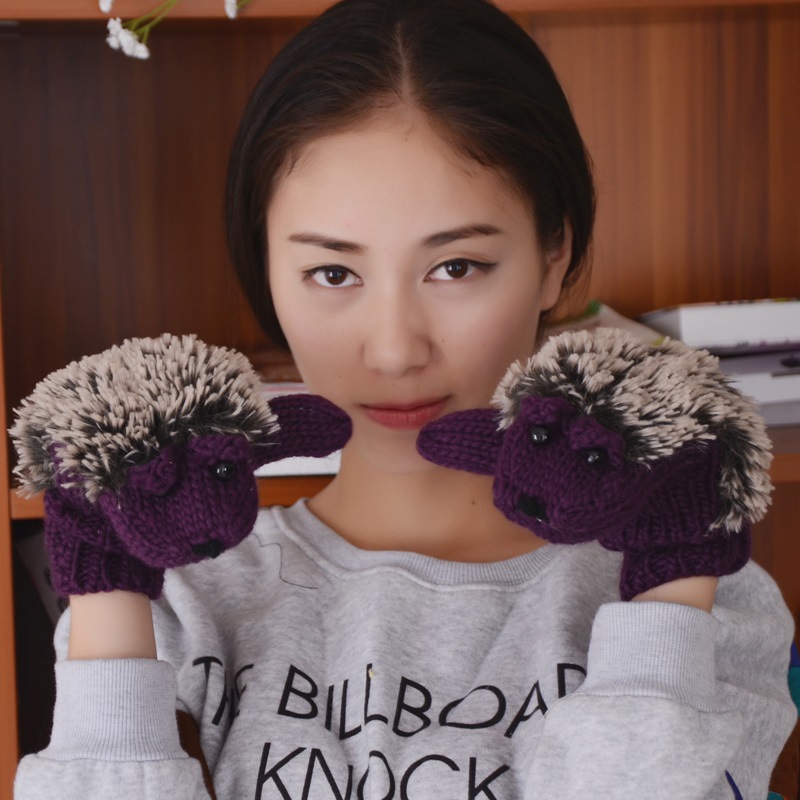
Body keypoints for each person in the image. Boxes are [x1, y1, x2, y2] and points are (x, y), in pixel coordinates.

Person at [14, 0, 797, 798]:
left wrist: (669, 590)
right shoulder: (175, 598)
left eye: (456, 267)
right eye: (333, 273)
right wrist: (107, 591)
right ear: (267, 270)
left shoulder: (695, 590)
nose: (394, 349)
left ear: (555, 255)